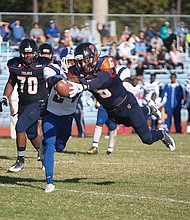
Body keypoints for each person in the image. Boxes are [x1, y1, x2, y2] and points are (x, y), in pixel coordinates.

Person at [67, 42, 175, 152]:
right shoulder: (77, 72)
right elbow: (67, 83)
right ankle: (148, 109)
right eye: (80, 62)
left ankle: (161, 134)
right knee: (128, 122)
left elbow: (100, 80)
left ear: (93, 58)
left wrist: (83, 86)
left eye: (84, 61)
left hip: (126, 104)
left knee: (147, 138)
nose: (82, 65)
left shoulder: (105, 64)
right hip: (112, 112)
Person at [0, 38, 52, 172]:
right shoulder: (15, 65)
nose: (28, 56)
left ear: (36, 53)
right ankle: (44, 155)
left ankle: (20, 160)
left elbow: (52, 79)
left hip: (39, 102)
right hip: (24, 103)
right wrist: (5, 97)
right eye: (25, 53)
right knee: (32, 133)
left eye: (30, 53)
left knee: (20, 127)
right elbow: (11, 82)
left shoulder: (43, 64)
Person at [42, 47, 80, 192]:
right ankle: (49, 181)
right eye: (69, 61)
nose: (72, 64)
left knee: (60, 146)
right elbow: (51, 77)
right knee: (51, 145)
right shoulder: (53, 69)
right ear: (63, 61)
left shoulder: (81, 75)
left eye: (74, 61)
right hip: (51, 113)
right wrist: (61, 82)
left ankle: (43, 144)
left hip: (67, 116)